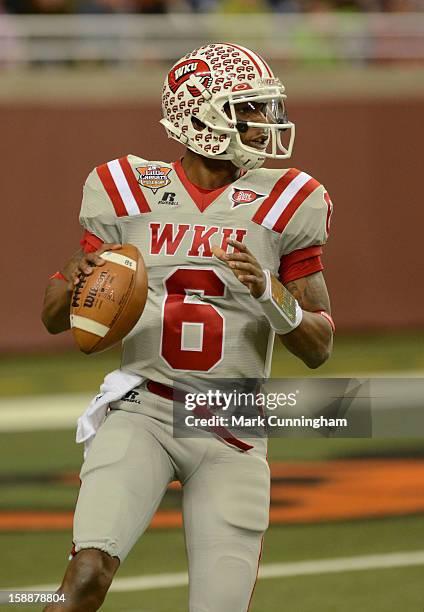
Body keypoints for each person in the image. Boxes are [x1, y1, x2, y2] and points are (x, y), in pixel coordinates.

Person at [41, 42, 334, 612]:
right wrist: (76, 280)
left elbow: (319, 346)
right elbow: (55, 315)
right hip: (144, 410)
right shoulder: (128, 189)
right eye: (246, 109)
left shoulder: (286, 201)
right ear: (199, 117)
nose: (264, 124)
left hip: (234, 426)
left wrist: (270, 294)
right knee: (86, 577)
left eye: (264, 108)